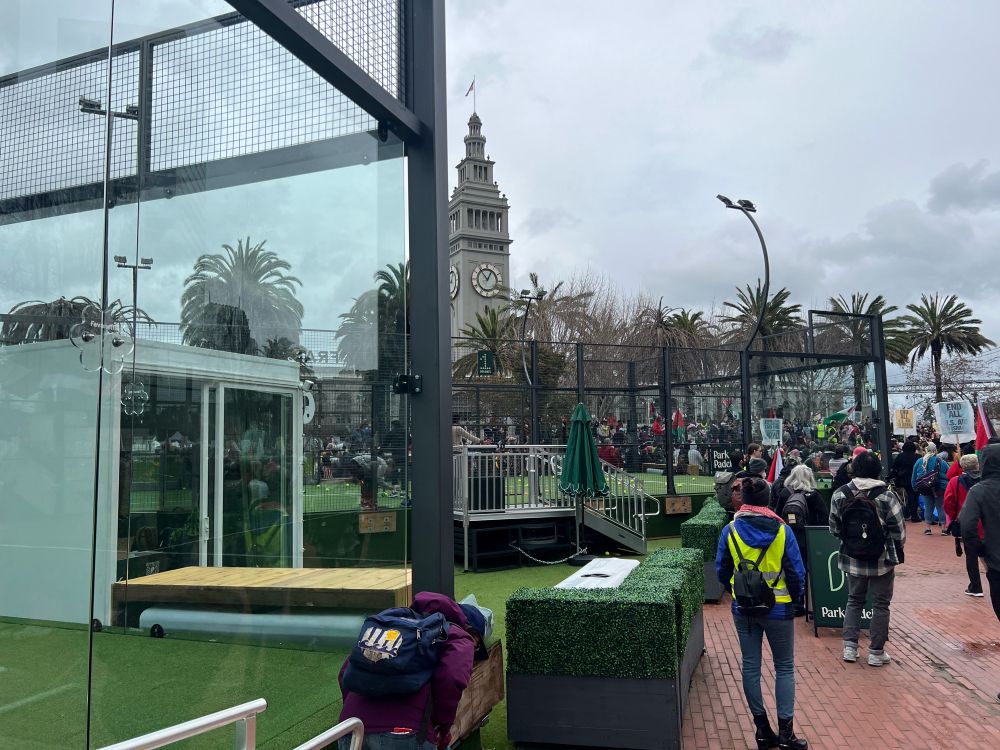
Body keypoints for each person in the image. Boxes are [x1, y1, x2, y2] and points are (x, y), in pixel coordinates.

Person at [716, 477, 807, 750]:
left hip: (743, 607)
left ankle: (762, 730)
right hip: (779, 608)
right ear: (768, 500)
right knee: (785, 668)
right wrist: (796, 600)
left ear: (743, 500)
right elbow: (796, 573)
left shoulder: (730, 530)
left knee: (751, 666)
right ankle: (787, 733)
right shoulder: (782, 531)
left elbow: (721, 570)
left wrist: (736, 592)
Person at [337, 592, 475, 749]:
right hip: (406, 733)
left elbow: (345, 673)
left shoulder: (385, 625)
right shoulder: (453, 634)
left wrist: (355, 713)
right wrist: (442, 726)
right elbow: (452, 677)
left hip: (352, 731)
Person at [829, 451, 905, 667]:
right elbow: (899, 532)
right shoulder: (887, 496)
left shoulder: (840, 494)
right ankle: (876, 651)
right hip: (882, 559)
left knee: (854, 600)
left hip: (852, 557)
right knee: (881, 604)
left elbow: (834, 528)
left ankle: (850, 648)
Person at [944, 453, 984, 597]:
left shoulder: (955, 481)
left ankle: (976, 586)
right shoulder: (986, 480)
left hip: (967, 523)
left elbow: (948, 502)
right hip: (986, 523)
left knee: (971, 556)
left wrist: (954, 516)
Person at [911, 442, 949, 535]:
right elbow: (949, 473)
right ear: (935, 450)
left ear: (926, 450)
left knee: (928, 508)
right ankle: (944, 529)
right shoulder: (941, 461)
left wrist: (914, 486)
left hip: (925, 487)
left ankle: (928, 528)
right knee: (941, 507)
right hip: (939, 487)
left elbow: (914, 475)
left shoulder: (920, 461)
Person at [889, 440, 920, 521]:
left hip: (903, 479)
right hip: (916, 479)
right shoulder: (918, 457)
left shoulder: (900, 456)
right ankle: (914, 514)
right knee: (915, 496)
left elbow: (894, 467)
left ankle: (909, 514)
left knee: (909, 496)